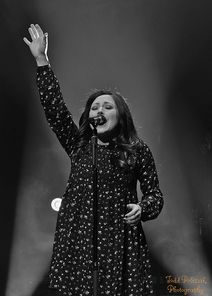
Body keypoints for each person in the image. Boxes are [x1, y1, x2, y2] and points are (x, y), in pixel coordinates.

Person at [23, 24, 164, 296]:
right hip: (79, 238)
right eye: (95, 107)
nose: (99, 110)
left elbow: (155, 195)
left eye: (107, 106)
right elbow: (55, 111)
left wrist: (142, 208)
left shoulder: (137, 150)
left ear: (120, 116)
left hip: (119, 241)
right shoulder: (80, 145)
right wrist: (42, 60)